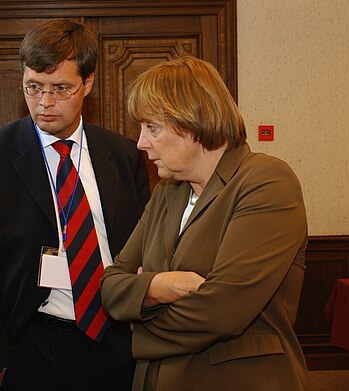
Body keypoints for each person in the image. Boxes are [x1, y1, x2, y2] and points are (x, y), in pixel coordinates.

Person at [0, 18, 150, 391]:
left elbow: (143, 253)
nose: (44, 103)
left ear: (87, 83)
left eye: (60, 88)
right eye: (33, 87)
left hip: (116, 344)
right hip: (31, 350)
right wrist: (1, 359)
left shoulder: (124, 156)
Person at [100, 55, 308, 391]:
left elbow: (221, 312)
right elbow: (111, 285)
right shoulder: (168, 191)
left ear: (193, 122)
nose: (140, 142)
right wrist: (158, 287)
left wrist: (137, 323)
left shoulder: (266, 182)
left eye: (152, 127)